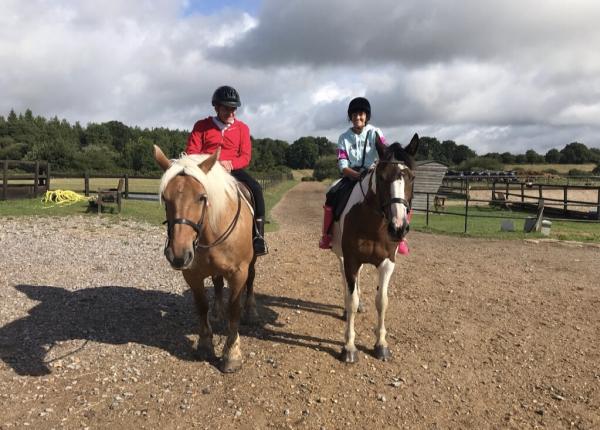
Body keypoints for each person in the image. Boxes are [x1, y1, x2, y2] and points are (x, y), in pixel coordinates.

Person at [319, 96, 410, 255]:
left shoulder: (375, 132)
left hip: (373, 174)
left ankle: (401, 237)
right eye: (354, 114)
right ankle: (327, 235)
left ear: (366, 116)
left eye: (361, 114)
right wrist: (355, 175)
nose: (357, 117)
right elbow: (342, 164)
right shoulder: (343, 138)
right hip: (351, 175)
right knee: (332, 193)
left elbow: (385, 152)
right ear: (350, 117)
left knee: (399, 195)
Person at [185, 85, 268, 256]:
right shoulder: (201, 126)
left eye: (233, 109)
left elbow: (245, 156)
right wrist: (210, 164)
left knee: (256, 190)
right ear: (216, 107)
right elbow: (192, 152)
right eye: (226, 109)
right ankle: (183, 235)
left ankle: (258, 236)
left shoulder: (243, 128)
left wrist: (231, 164)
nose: (231, 113)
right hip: (207, 171)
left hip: (232, 171)